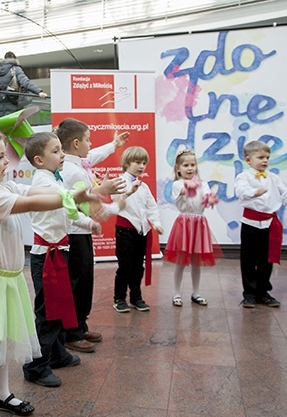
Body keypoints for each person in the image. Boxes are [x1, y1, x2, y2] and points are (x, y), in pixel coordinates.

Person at [0, 128, 99, 417]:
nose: (7, 161)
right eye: (1, 156)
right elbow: (29, 204)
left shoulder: (3, 186)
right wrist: (72, 196)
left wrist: (69, 195)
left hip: (9, 280)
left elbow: (32, 192)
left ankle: (1, 394)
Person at [21, 132, 125, 388]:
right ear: (39, 159)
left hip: (58, 251)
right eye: (55, 151)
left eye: (61, 149)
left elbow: (68, 209)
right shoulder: (44, 183)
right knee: (47, 312)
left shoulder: (53, 179)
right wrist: (100, 191)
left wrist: (89, 223)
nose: (62, 154)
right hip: (47, 255)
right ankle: (35, 366)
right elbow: (68, 201)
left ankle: (56, 355)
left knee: (57, 308)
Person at [56, 118, 130, 350]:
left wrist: (114, 144)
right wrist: (115, 206)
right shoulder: (74, 172)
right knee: (78, 283)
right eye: (88, 139)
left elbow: (93, 156)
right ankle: (72, 332)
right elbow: (86, 207)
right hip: (75, 234)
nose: (91, 144)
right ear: (76, 143)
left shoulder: (77, 163)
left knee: (85, 281)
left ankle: (80, 325)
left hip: (80, 232)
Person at [235, 140, 287, 308]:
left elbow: (286, 198)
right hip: (250, 223)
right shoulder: (244, 176)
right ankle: (249, 293)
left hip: (269, 224)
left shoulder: (273, 178)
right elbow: (240, 192)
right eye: (260, 157)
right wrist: (254, 192)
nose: (265, 161)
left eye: (267, 157)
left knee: (266, 259)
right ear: (248, 160)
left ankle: (263, 292)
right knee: (248, 259)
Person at [163, 149, 220, 306]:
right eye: (186, 165)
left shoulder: (204, 184)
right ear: (178, 169)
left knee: (196, 261)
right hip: (184, 224)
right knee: (181, 261)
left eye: (192, 165)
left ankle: (196, 292)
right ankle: (176, 293)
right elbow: (181, 193)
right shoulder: (177, 184)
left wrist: (211, 199)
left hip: (199, 224)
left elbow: (206, 198)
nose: (189, 168)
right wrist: (188, 187)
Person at [112, 146, 163, 313]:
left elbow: (151, 206)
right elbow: (116, 200)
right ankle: (119, 298)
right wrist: (128, 192)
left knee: (138, 267)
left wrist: (156, 223)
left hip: (141, 232)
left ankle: (136, 297)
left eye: (144, 163)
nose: (141, 166)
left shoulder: (144, 186)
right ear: (127, 163)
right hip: (125, 231)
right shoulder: (119, 181)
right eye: (137, 162)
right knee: (124, 266)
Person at [0, 51, 47, 117]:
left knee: (1, 126)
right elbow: (25, 82)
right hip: (14, 108)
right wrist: (39, 92)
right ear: (15, 60)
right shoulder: (15, 69)